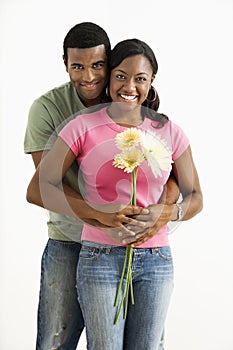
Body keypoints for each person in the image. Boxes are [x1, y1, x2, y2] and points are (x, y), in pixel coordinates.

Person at [26, 38, 203, 349]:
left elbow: (195, 196)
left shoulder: (168, 130)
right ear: (109, 78)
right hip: (100, 256)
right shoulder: (82, 125)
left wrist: (167, 213)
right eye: (121, 75)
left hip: (157, 259)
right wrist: (99, 214)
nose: (130, 85)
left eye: (140, 78)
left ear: (151, 82)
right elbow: (38, 188)